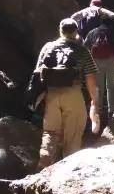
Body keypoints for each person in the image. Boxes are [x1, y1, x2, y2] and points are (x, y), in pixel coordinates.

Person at [34, 18, 99, 168]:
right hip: (73, 94)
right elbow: (90, 78)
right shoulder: (81, 50)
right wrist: (94, 102)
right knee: (73, 136)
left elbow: (37, 73)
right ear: (76, 32)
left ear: (60, 30)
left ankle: (44, 166)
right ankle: (68, 171)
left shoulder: (48, 47)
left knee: (50, 134)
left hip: (52, 95)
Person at [84, 14, 114, 123]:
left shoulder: (93, 32)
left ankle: (98, 109)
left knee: (98, 86)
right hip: (112, 60)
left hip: (96, 60)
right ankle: (112, 111)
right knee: (111, 86)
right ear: (111, 22)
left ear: (101, 22)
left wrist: (90, 60)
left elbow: (86, 45)